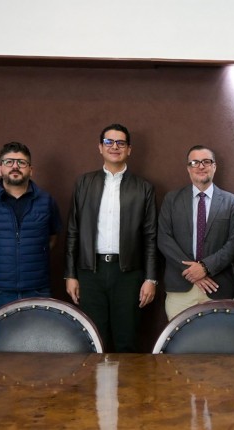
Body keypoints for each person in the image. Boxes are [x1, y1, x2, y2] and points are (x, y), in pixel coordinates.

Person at [64, 123, 157, 352]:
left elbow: (150, 237)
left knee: (127, 340)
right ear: (100, 147)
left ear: (129, 149)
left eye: (120, 143)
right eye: (109, 142)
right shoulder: (84, 183)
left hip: (128, 274)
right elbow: (73, 231)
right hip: (90, 272)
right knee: (95, 341)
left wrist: (151, 278)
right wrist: (70, 274)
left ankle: (125, 379)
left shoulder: (143, 187)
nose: (115, 147)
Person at [0, 141, 62, 319]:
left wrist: (34, 254)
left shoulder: (46, 201)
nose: (15, 166)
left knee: (36, 337)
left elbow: (53, 238)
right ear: (0, 169)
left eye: (21, 162)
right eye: (9, 162)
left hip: (37, 289)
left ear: (30, 170)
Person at [157, 145, 234, 320]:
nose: (201, 166)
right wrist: (192, 271)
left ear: (214, 166)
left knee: (220, 337)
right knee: (180, 338)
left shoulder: (231, 202)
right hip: (180, 289)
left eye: (206, 162)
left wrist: (205, 267)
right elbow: (164, 239)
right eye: (195, 162)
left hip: (218, 287)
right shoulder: (172, 200)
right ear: (188, 168)